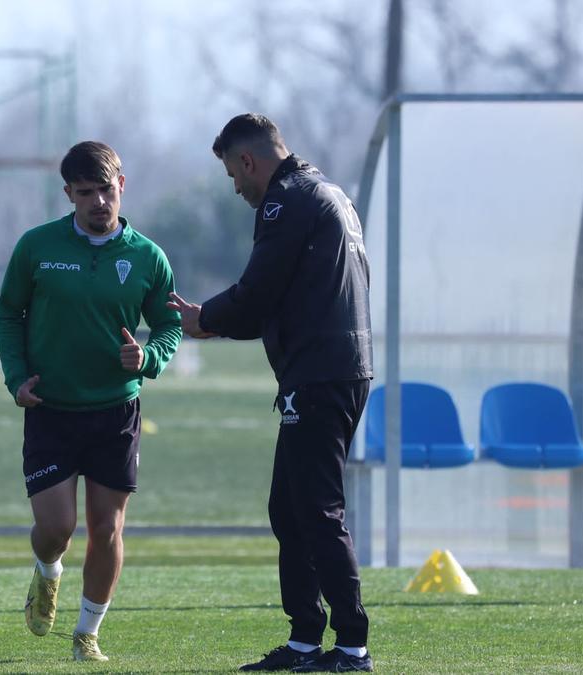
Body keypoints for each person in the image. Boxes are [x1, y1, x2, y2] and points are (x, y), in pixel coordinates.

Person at [166, 114, 374, 673]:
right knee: (289, 507)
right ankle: (307, 638)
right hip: (339, 367)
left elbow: (259, 292)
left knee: (316, 507)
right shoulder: (331, 193)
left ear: (248, 160)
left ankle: (352, 645)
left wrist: (204, 318)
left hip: (320, 373)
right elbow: (294, 294)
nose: (236, 187)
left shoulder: (284, 202)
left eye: (234, 173)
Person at [0, 141, 182, 662]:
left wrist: (148, 358)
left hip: (115, 411)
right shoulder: (37, 247)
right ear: (69, 195)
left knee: (107, 528)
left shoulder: (147, 257)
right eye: (86, 193)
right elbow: (8, 315)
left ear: (122, 186)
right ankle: (47, 571)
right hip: (50, 408)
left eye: (106, 189)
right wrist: (16, 379)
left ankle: (86, 635)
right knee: (56, 529)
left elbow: (169, 325)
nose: (99, 202)